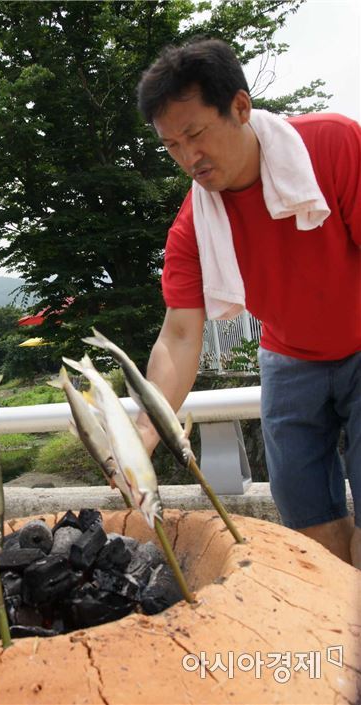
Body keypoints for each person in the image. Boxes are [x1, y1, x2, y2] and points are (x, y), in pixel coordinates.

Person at [135, 39, 361, 567]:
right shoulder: (193, 227)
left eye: (195, 134)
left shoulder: (334, 145)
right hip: (289, 357)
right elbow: (180, 335)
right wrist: (147, 426)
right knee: (307, 529)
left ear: (240, 107)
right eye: (171, 145)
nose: (188, 157)